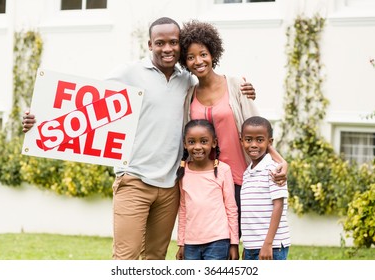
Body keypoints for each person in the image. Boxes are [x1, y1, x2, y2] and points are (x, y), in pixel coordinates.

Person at [21, 17, 257, 260]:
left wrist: (245, 89)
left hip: (169, 186)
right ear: (149, 44)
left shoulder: (186, 80)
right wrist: (38, 119)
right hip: (134, 179)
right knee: (126, 258)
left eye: (174, 42)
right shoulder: (129, 72)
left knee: (155, 258)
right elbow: (84, 103)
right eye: (160, 43)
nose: (167, 48)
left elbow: (220, 95)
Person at [179, 20, 288, 240]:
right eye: (190, 57)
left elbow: (258, 130)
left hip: (241, 179)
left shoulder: (236, 85)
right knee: (217, 243)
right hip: (209, 182)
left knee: (245, 240)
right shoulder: (189, 94)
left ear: (213, 53)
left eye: (203, 54)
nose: (198, 61)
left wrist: (280, 161)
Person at [176, 119, 239, 260]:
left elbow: (231, 208)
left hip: (218, 241)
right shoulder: (183, 172)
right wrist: (181, 242)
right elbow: (183, 208)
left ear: (214, 143)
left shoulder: (223, 170)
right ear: (185, 145)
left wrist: (234, 243)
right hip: (191, 243)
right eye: (192, 142)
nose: (197, 147)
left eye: (204, 141)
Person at [240, 116, 291, 260]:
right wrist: (248, 246)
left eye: (260, 140)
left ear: (269, 143)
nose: (254, 144)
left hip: (271, 246)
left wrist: (268, 243)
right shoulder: (247, 172)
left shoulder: (274, 170)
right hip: (252, 246)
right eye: (248, 140)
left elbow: (278, 206)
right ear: (241, 141)